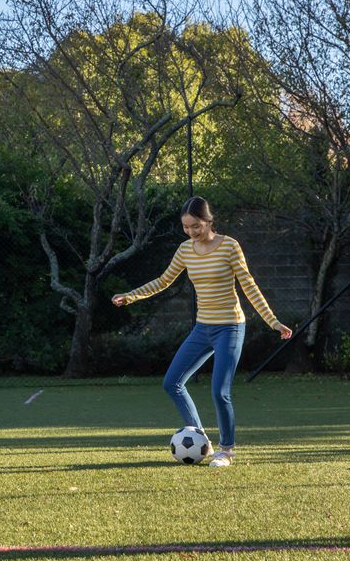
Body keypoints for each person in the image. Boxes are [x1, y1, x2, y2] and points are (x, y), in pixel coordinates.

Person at [113, 196, 292, 466]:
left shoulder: (229, 246)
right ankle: (199, 438)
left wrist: (273, 321)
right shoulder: (185, 250)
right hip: (202, 329)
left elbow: (249, 286)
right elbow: (163, 281)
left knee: (219, 391)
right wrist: (131, 296)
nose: (191, 232)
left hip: (230, 327)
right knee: (171, 382)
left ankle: (227, 451)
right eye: (186, 227)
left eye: (196, 226)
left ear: (209, 221)